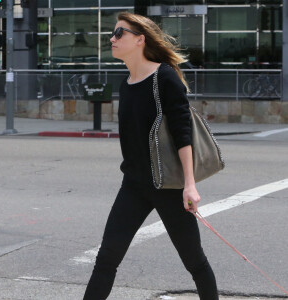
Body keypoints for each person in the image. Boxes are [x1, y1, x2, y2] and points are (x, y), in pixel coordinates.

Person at [83, 12, 219, 300]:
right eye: (113, 33)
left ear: (140, 39)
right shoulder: (127, 83)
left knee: (194, 261)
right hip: (133, 186)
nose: (112, 38)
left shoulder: (165, 77)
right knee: (106, 258)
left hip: (168, 187)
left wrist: (190, 185)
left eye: (120, 33)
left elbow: (183, 133)